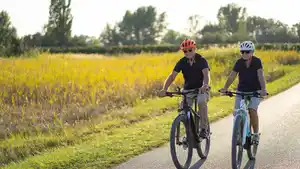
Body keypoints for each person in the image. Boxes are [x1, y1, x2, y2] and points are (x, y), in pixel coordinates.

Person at [158, 39, 211, 138]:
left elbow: (206, 74)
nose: (188, 53)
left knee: (201, 101)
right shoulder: (182, 62)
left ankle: (204, 128)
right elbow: (172, 76)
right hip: (188, 90)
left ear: (194, 49)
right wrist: (164, 89)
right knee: (183, 110)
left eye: (190, 50)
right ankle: (189, 133)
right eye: (185, 51)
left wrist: (205, 85)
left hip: (201, 89)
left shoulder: (202, 60)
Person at [219, 40, 268, 145]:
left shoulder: (257, 61)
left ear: (252, 52)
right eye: (242, 52)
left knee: (251, 109)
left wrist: (263, 89)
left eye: (247, 52)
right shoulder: (239, 62)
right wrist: (225, 88)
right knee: (237, 111)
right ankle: (238, 134)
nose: (244, 54)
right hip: (241, 91)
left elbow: (260, 75)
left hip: (255, 91)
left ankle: (255, 134)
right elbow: (232, 75)